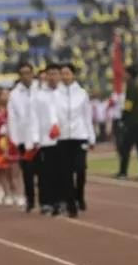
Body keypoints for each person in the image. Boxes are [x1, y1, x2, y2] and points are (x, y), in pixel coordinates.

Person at [54, 63, 94, 217]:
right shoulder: (56, 94)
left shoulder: (82, 93)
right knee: (66, 173)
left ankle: (79, 195)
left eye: (67, 73)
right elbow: (53, 115)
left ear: (73, 75)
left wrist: (91, 137)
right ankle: (71, 205)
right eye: (62, 73)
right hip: (63, 138)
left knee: (80, 169)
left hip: (80, 135)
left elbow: (87, 116)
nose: (64, 76)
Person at [8, 62, 41, 213]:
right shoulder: (14, 94)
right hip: (23, 139)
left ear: (33, 73)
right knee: (27, 172)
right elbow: (12, 118)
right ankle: (30, 201)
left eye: (28, 72)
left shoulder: (41, 89)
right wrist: (14, 139)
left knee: (43, 172)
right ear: (19, 75)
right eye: (23, 73)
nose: (26, 76)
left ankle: (45, 199)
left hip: (41, 138)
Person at [32, 64, 61, 214]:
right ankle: (46, 201)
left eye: (55, 73)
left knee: (62, 172)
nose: (52, 77)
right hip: (46, 140)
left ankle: (61, 200)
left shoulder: (64, 93)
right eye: (50, 74)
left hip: (63, 139)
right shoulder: (39, 95)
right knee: (46, 173)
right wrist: (36, 138)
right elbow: (35, 118)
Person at [116, 65, 138, 181]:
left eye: (126, 73)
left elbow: (128, 104)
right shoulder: (137, 86)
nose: (124, 75)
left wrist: (123, 117)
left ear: (130, 74)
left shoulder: (131, 87)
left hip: (133, 123)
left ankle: (123, 172)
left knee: (125, 148)